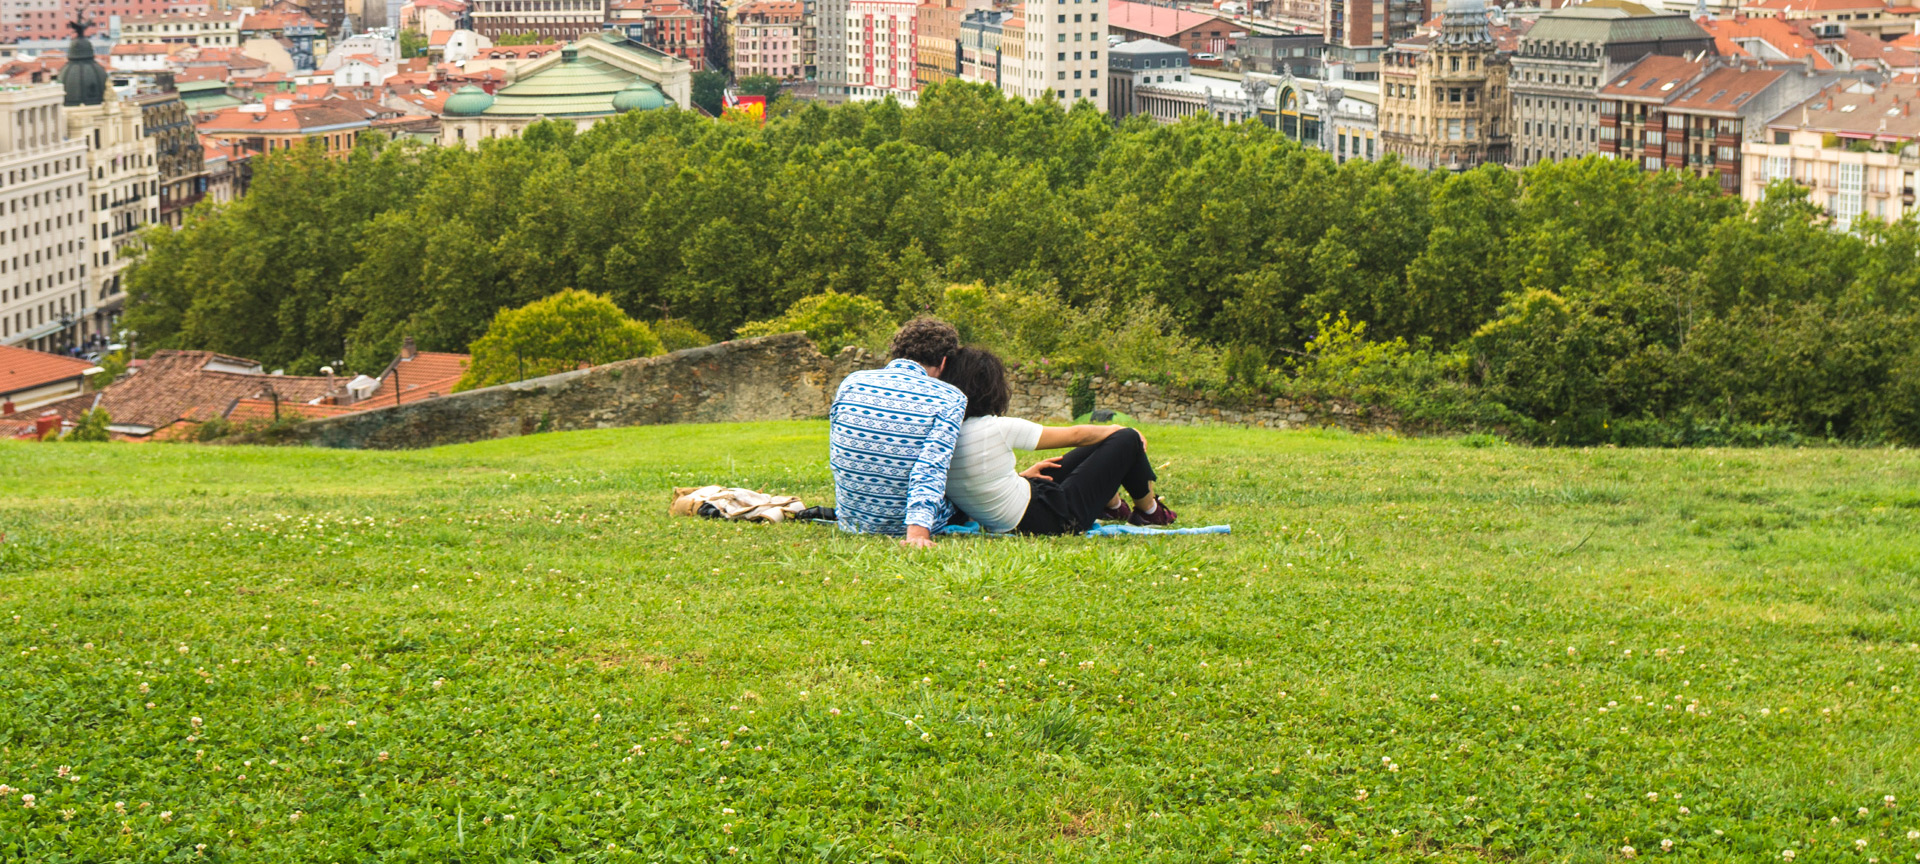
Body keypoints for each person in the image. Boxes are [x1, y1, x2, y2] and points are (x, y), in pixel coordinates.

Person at [939, 346, 1176, 535]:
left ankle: (1112, 507)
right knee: (1126, 438)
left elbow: (974, 481)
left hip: (1027, 504)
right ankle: (1149, 511)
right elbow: (1075, 435)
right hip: (1054, 518)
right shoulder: (996, 428)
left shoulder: (943, 433)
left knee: (1091, 447)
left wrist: (1022, 477)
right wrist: (1117, 427)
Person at [827, 318, 968, 549]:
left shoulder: (852, 382)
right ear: (943, 362)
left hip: (852, 522)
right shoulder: (950, 397)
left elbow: (840, 451)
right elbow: (931, 466)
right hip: (901, 526)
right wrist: (917, 534)